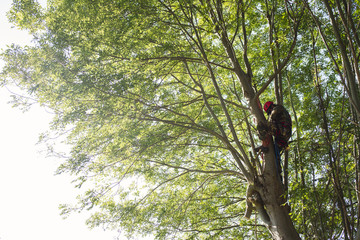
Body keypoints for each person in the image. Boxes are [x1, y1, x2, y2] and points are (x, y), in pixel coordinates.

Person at [255, 101, 292, 172]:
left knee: (261, 125)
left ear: (271, 107)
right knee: (275, 155)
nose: (269, 113)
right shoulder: (280, 110)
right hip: (282, 137)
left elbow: (272, 117)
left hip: (282, 132)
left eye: (269, 111)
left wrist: (267, 121)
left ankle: (264, 145)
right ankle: (278, 171)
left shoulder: (277, 108)